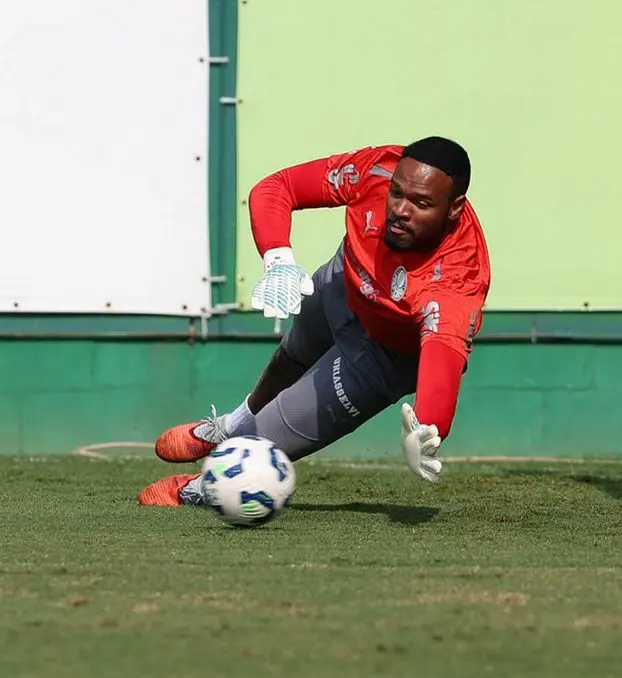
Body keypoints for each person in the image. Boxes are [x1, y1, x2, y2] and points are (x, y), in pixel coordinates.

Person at [137, 136, 490, 506]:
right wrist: (278, 258)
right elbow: (278, 187)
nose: (400, 209)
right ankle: (230, 426)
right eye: (397, 193)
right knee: (292, 354)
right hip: (344, 283)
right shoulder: (376, 170)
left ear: (454, 208)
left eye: (421, 203)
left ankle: (203, 487)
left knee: (267, 441)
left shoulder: (458, 279)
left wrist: (426, 428)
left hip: (384, 355)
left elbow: (442, 363)